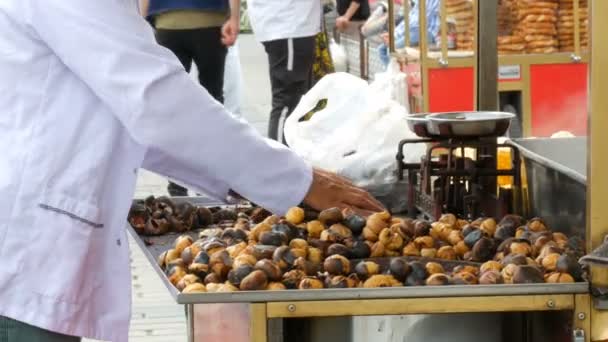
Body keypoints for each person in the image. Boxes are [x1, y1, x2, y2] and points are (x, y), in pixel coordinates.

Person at [0, 1, 384, 342]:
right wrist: (299, 182)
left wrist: (265, 183)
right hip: (25, 254)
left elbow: (142, 124)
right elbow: (157, 101)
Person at [140, 0, 240, 196]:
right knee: (213, 102)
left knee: (173, 107)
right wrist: (234, 17)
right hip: (209, 23)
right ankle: (211, 179)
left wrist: (139, 24)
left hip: (168, 25)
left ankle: (176, 182)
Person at [247, 0, 320, 143]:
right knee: (287, 100)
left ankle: (288, 156)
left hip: (289, 24)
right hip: (289, 24)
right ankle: (279, 159)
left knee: (296, 100)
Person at [373, 0, 441, 67]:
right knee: (382, 49)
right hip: (414, 31)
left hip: (426, 32)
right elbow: (411, 18)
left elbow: (418, 20)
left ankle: (395, 73)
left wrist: (395, 35)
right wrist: (394, 34)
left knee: (391, 49)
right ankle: (392, 73)